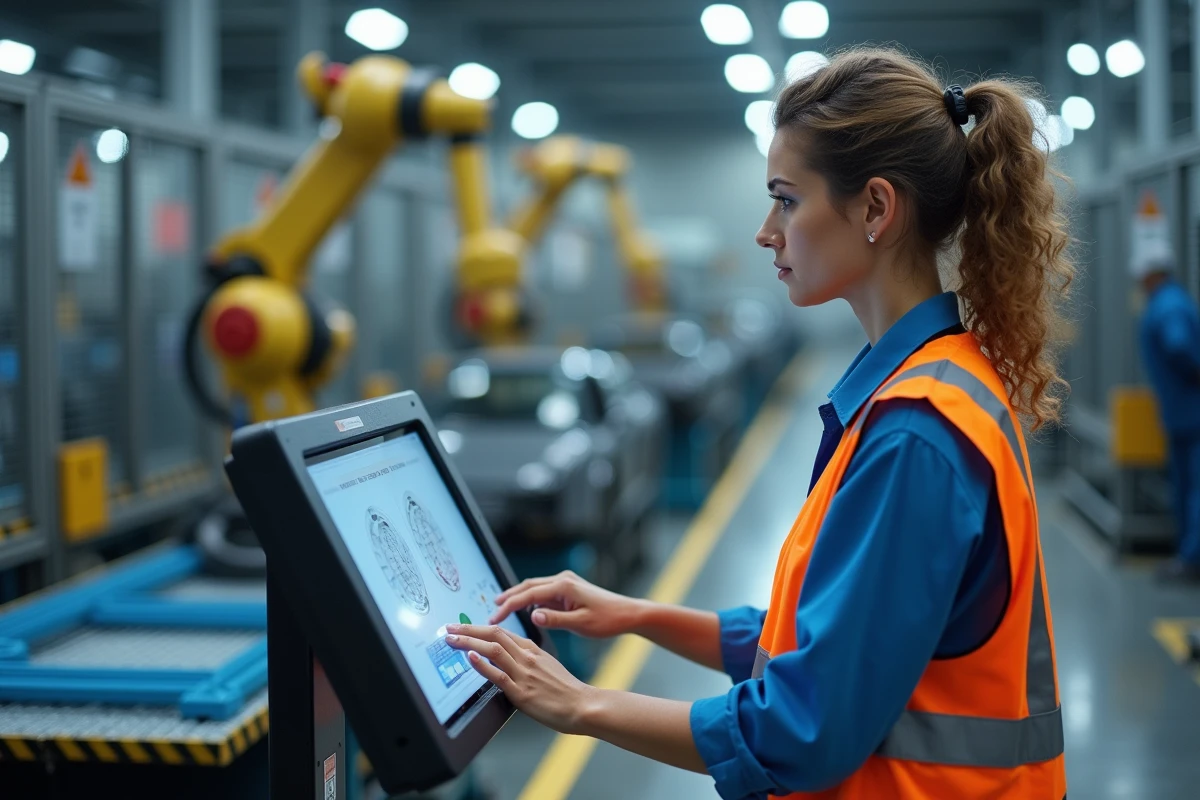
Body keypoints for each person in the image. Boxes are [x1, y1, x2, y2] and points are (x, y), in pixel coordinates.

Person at [445, 47, 1070, 798]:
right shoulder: (931, 384)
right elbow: (825, 635)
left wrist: (581, 704)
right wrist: (637, 615)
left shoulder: (916, 432)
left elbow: (803, 729)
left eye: (786, 200)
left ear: (876, 208)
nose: (766, 231)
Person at [1135, 250, 1200, 582]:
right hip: (1185, 414)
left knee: (1194, 489)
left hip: (1191, 414)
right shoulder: (1172, 301)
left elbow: (1179, 346)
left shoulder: (1168, 304)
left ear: (1152, 275)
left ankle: (1192, 558)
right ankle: (1189, 555)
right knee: (1188, 486)